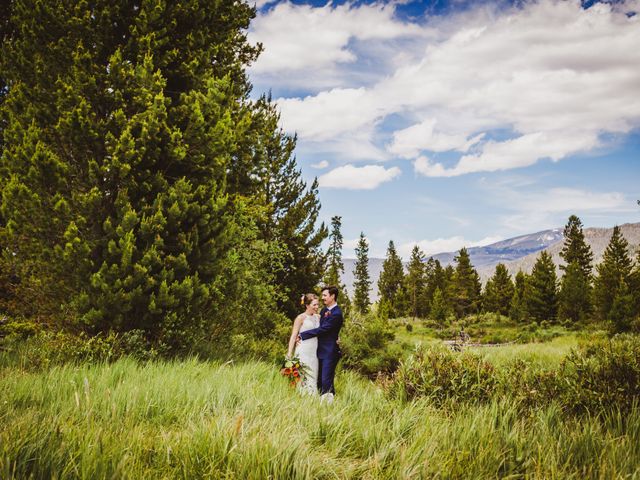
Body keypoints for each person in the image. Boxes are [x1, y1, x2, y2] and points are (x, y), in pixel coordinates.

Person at [298, 286, 343, 403]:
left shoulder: (337, 313)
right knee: (319, 380)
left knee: (326, 380)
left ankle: (327, 405)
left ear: (332, 296)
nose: (323, 298)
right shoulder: (323, 311)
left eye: (325, 295)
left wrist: (303, 335)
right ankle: (319, 403)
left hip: (330, 351)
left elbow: (323, 329)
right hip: (319, 350)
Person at [287, 293, 320, 395]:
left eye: (317, 304)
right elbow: (293, 336)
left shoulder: (318, 317)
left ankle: (312, 398)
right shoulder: (300, 318)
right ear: (307, 305)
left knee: (313, 375)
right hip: (303, 350)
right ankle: (300, 397)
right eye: (314, 305)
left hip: (314, 351)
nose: (317, 307)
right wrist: (289, 354)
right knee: (301, 375)